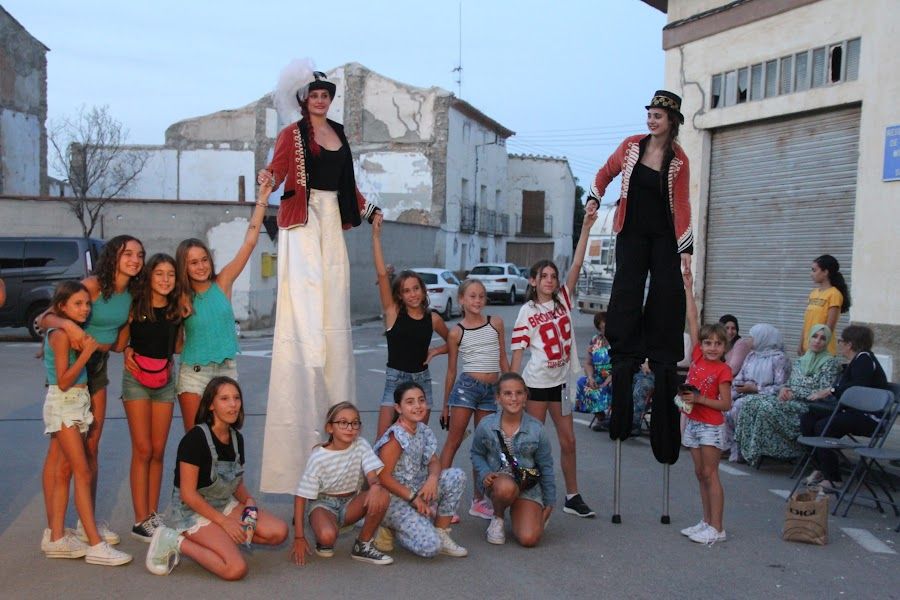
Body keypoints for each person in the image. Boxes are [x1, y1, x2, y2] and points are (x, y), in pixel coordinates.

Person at [259, 61, 382, 495]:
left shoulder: (339, 134)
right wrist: (268, 178)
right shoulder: (292, 135)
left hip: (332, 220)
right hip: (303, 219)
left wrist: (369, 209)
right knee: (307, 308)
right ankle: (306, 367)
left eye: (325, 95)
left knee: (333, 306)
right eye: (313, 95)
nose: (319, 100)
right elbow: (277, 170)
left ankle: (337, 440)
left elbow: (349, 185)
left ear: (330, 99)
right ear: (303, 99)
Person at [588, 90, 692, 464]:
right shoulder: (632, 146)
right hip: (631, 230)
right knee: (627, 289)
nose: (651, 120)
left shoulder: (679, 159)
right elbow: (604, 172)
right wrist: (594, 197)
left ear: (671, 121)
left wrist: (686, 248)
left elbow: (683, 204)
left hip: (663, 235)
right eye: (649, 114)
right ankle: (626, 350)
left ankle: (660, 351)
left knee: (666, 292)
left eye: (658, 116)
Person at [39, 234, 145, 545]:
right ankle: (54, 529)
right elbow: (45, 318)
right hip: (73, 362)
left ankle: (86, 523)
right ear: (113, 256)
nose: (135, 260)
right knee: (60, 453)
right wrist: (70, 326)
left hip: (97, 365)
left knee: (92, 445)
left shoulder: (132, 293)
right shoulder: (94, 286)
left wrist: (125, 343)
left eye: (139, 255)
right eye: (127, 254)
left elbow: (120, 341)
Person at [145, 377, 287, 579]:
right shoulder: (195, 439)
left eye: (236, 398)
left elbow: (235, 482)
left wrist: (249, 502)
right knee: (235, 569)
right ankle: (173, 539)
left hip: (222, 504)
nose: (233, 404)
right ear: (211, 405)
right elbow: (187, 494)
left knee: (279, 532)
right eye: (224, 399)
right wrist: (224, 523)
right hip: (190, 511)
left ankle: (221, 539)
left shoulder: (236, 438)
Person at [510, 201, 598, 518]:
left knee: (569, 441)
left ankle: (572, 496)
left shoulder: (563, 301)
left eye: (552, 276)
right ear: (533, 281)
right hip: (535, 385)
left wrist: (585, 228)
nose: (549, 280)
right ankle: (527, 496)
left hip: (560, 386)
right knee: (532, 443)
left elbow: (577, 264)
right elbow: (518, 353)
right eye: (543, 276)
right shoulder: (527, 311)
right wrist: (511, 389)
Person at [40, 281, 132, 565]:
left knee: (65, 469)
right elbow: (63, 381)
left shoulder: (69, 333)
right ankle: (95, 543)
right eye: (77, 304)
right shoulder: (61, 335)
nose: (85, 309)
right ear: (62, 307)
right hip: (65, 404)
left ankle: (56, 537)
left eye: (87, 304)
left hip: (76, 403)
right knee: (81, 471)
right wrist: (86, 354)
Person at [176, 181, 272, 432]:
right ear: (184, 267)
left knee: (223, 436)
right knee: (196, 439)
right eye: (193, 263)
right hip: (194, 373)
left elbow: (249, 243)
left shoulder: (223, 283)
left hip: (226, 371)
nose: (200, 266)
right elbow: (171, 341)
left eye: (204, 260)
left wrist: (262, 199)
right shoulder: (181, 297)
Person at [116, 253, 183, 541]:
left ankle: (152, 516)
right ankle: (140, 519)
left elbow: (177, 347)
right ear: (149, 277)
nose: (165, 279)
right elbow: (119, 344)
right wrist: (127, 349)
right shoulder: (135, 305)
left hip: (164, 380)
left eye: (171, 274)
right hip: (136, 380)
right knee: (142, 449)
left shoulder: (176, 308)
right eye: (159, 273)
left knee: (157, 450)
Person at [439, 279, 509, 520]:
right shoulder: (456, 332)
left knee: (484, 445)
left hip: (490, 392)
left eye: (481, 296)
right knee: (453, 441)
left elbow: (502, 359)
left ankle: (478, 500)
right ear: (461, 299)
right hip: (466, 389)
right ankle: (441, 501)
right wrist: (446, 406)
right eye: (472, 296)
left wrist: (509, 388)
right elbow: (451, 371)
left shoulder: (496, 323)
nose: (477, 300)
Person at [373, 381, 467, 558]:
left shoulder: (422, 430)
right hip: (393, 499)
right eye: (410, 402)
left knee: (456, 476)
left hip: (417, 490)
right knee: (431, 547)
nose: (417, 406)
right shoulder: (395, 437)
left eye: (421, 400)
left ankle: (441, 531)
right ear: (398, 408)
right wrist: (414, 499)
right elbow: (383, 477)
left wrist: (432, 479)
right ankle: (390, 527)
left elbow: (434, 461)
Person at [291, 402, 393, 566]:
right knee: (327, 537)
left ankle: (362, 545)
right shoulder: (319, 457)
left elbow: (372, 476)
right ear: (330, 428)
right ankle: (324, 534)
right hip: (323, 505)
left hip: (351, 503)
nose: (350, 428)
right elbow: (301, 497)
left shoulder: (361, 445)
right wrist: (299, 537)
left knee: (381, 494)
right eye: (343, 423)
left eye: (355, 423)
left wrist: (375, 486)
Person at [372, 220, 449, 437]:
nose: (413, 294)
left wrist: (436, 350)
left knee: (416, 442)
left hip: (421, 383)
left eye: (416, 288)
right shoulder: (393, 312)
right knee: (383, 441)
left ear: (423, 291)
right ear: (400, 295)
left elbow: (455, 341)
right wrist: (376, 237)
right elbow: (381, 275)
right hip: (395, 381)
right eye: (406, 291)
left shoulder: (433, 319)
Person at [734, 325, 842, 466]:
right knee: (750, 402)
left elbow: (822, 392)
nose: (817, 341)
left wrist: (794, 393)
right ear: (809, 338)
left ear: (827, 342)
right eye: (814, 336)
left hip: (810, 406)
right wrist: (784, 389)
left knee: (765, 407)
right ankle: (744, 450)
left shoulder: (830, 363)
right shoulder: (801, 360)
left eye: (822, 338)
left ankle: (760, 451)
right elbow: (789, 383)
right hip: (790, 401)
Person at [470, 373, 555, 547]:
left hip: (526, 485)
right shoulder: (486, 425)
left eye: (519, 393)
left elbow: (546, 466)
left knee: (529, 539)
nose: (514, 398)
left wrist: (549, 502)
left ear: (525, 396)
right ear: (498, 398)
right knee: (506, 488)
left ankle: (523, 510)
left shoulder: (537, 429)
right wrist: (485, 472)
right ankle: (498, 517)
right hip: (498, 483)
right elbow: (476, 453)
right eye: (507, 393)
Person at [679, 271, 733, 544]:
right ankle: (706, 521)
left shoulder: (723, 370)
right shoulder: (698, 357)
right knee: (700, 474)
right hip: (694, 422)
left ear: (725, 347)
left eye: (718, 344)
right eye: (708, 343)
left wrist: (699, 400)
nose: (712, 348)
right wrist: (688, 288)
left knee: (711, 474)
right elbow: (693, 319)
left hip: (711, 425)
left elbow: (726, 404)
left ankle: (718, 528)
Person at [799, 325, 888, 489]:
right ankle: (820, 468)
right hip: (852, 412)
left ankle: (833, 478)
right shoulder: (856, 361)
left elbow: (857, 388)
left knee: (824, 426)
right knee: (807, 419)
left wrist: (831, 390)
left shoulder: (864, 360)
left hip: (869, 417)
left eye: (840, 341)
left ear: (849, 344)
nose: (839, 344)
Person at [723, 324, 791, 462]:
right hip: (745, 393)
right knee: (723, 403)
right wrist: (735, 389)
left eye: (752, 337)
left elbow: (780, 387)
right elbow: (740, 377)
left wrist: (756, 389)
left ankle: (743, 450)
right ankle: (728, 446)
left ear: (763, 338)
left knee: (739, 406)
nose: (749, 340)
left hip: (765, 397)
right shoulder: (751, 356)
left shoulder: (779, 359)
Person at [800, 254, 851, 355]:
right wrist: (801, 343)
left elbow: (829, 328)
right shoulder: (813, 293)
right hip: (808, 349)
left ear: (825, 272)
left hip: (822, 351)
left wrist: (818, 347)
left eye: (814, 270)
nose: (811, 274)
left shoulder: (834, 294)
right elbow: (806, 323)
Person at [574, 311, 612, 429]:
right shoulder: (595, 340)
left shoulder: (618, 341)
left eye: (607, 327)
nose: (605, 330)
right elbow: (588, 363)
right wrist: (590, 378)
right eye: (602, 328)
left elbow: (621, 363)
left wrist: (609, 378)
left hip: (614, 375)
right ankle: (601, 417)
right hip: (598, 375)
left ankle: (615, 418)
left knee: (614, 385)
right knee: (582, 382)